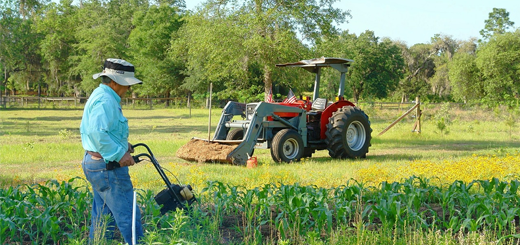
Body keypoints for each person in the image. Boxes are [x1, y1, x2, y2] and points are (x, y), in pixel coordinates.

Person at [80, 58, 144, 244]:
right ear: (115, 82)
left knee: (103, 216)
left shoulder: (102, 95)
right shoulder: (106, 100)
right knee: (129, 216)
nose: (129, 89)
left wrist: (124, 146)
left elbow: (106, 131)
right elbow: (96, 132)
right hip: (107, 167)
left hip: (96, 164)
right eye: (127, 85)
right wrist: (119, 154)